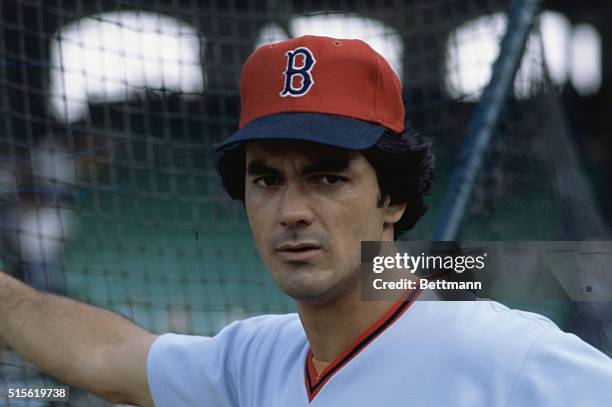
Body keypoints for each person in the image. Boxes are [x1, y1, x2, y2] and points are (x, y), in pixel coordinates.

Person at [1, 35, 612, 406]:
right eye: (266, 179)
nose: (291, 211)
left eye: (328, 177)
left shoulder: (511, 357)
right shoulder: (250, 361)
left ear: (392, 197)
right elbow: (105, 358)